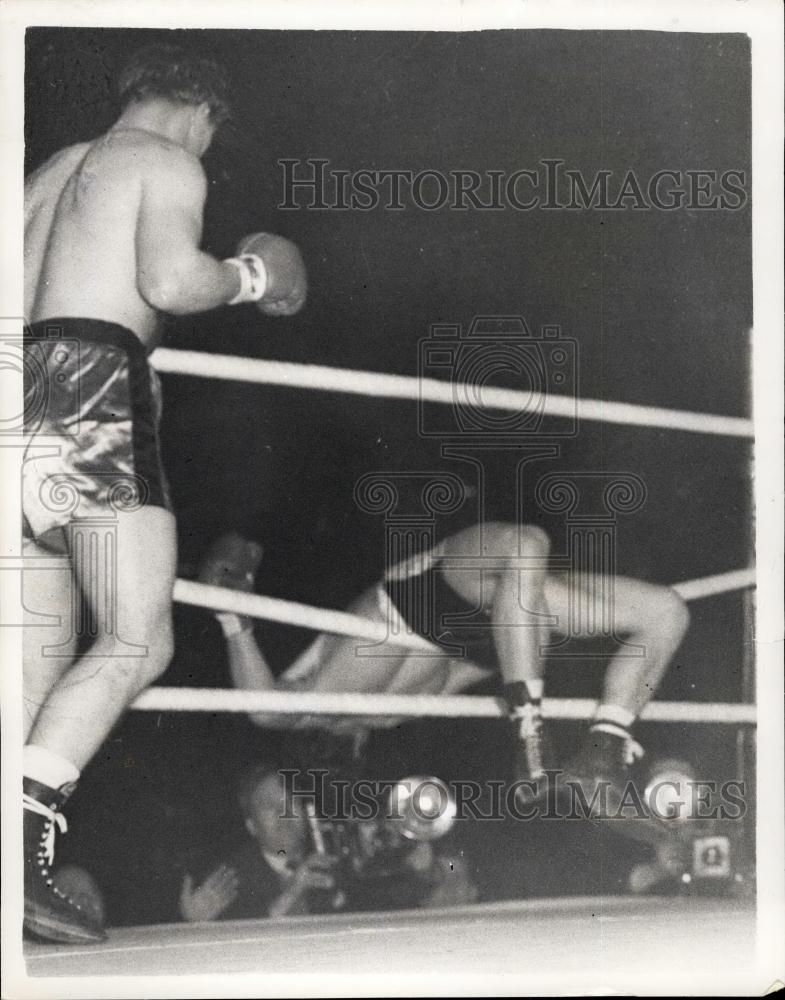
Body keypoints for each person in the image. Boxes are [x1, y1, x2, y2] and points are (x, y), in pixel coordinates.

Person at [22, 43, 307, 944]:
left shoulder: (50, 174)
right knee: (138, 637)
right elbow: (169, 281)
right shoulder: (167, 158)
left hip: (13, 396)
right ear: (202, 112)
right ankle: (16, 848)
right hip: (88, 389)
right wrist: (255, 275)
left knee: (33, 659)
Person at [198, 523, 690, 808]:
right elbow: (265, 710)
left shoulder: (349, 696)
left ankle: (572, 748)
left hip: (452, 608)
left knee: (656, 606)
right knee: (660, 608)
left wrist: (233, 620)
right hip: (469, 614)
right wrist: (232, 620)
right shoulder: (367, 707)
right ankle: (566, 743)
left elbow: (265, 708)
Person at [179, 764, 475, 921]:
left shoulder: (335, 847)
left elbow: (424, 888)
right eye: (268, 805)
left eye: (290, 802)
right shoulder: (228, 877)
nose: (284, 813)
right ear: (250, 825)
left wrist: (428, 868)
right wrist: (192, 925)